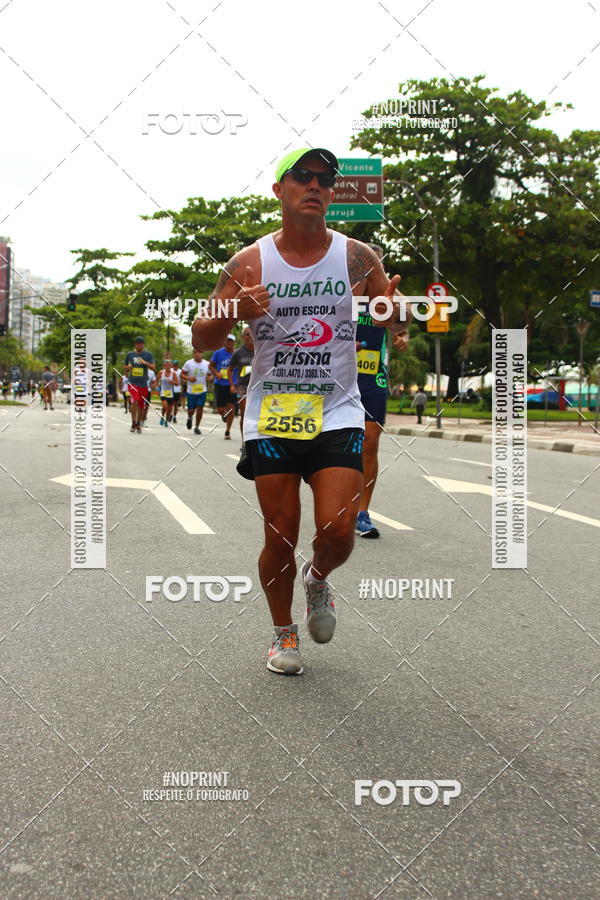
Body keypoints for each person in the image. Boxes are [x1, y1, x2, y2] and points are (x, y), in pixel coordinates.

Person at [192, 146, 410, 676]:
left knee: (337, 529)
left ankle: (318, 580)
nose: (317, 186)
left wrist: (397, 314)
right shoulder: (248, 263)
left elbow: (390, 312)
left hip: (337, 408)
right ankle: (281, 633)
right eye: (304, 177)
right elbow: (201, 339)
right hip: (274, 413)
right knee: (280, 534)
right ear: (280, 191)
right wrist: (231, 311)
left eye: (326, 180)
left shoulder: (359, 257)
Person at [354, 243, 409, 539]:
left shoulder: (388, 293)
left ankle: (362, 512)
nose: (369, 267)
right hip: (335, 378)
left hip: (373, 378)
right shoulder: (343, 290)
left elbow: (403, 322)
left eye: (375, 262)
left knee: (370, 443)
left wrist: (402, 336)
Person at [227, 326, 254, 443]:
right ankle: (245, 442)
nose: (250, 336)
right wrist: (232, 385)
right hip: (242, 386)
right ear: (243, 337)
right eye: (247, 334)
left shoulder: (260, 350)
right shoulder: (238, 353)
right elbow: (230, 370)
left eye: (251, 334)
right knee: (245, 412)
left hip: (257, 386)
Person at [123, 336, 155, 433]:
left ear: (143, 345)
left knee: (142, 405)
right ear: (135, 344)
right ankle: (133, 422)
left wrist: (145, 363)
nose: (139, 345)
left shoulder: (148, 355)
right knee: (135, 401)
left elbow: (153, 367)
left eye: (140, 343)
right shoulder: (130, 355)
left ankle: (138, 422)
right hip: (133, 383)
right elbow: (125, 367)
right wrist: (128, 368)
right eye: (137, 343)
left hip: (143, 384)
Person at [208, 334, 237, 440]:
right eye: (227, 340)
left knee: (231, 408)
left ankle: (228, 431)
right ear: (224, 342)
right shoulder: (218, 353)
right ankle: (223, 413)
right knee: (220, 409)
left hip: (232, 384)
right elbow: (210, 366)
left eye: (231, 341)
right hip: (220, 384)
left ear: (234, 342)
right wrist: (216, 373)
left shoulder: (236, 353)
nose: (229, 343)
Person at [181, 350, 210, 435]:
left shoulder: (207, 364)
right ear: (193, 354)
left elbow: (210, 374)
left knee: (200, 408)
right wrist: (189, 378)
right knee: (191, 410)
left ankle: (197, 427)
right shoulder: (188, 363)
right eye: (196, 352)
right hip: (191, 390)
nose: (198, 354)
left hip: (202, 390)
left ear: (202, 354)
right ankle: (190, 417)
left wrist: (210, 378)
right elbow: (182, 374)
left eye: (200, 352)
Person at [153, 359, 179, 426]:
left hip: (170, 392)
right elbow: (156, 380)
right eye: (166, 365)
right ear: (164, 365)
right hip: (163, 391)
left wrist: (172, 382)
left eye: (169, 365)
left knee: (170, 408)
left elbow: (177, 383)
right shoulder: (161, 372)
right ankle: (162, 417)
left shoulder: (173, 374)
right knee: (165, 406)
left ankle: (166, 420)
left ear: (171, 366)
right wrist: (156, 386)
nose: (168, 366)